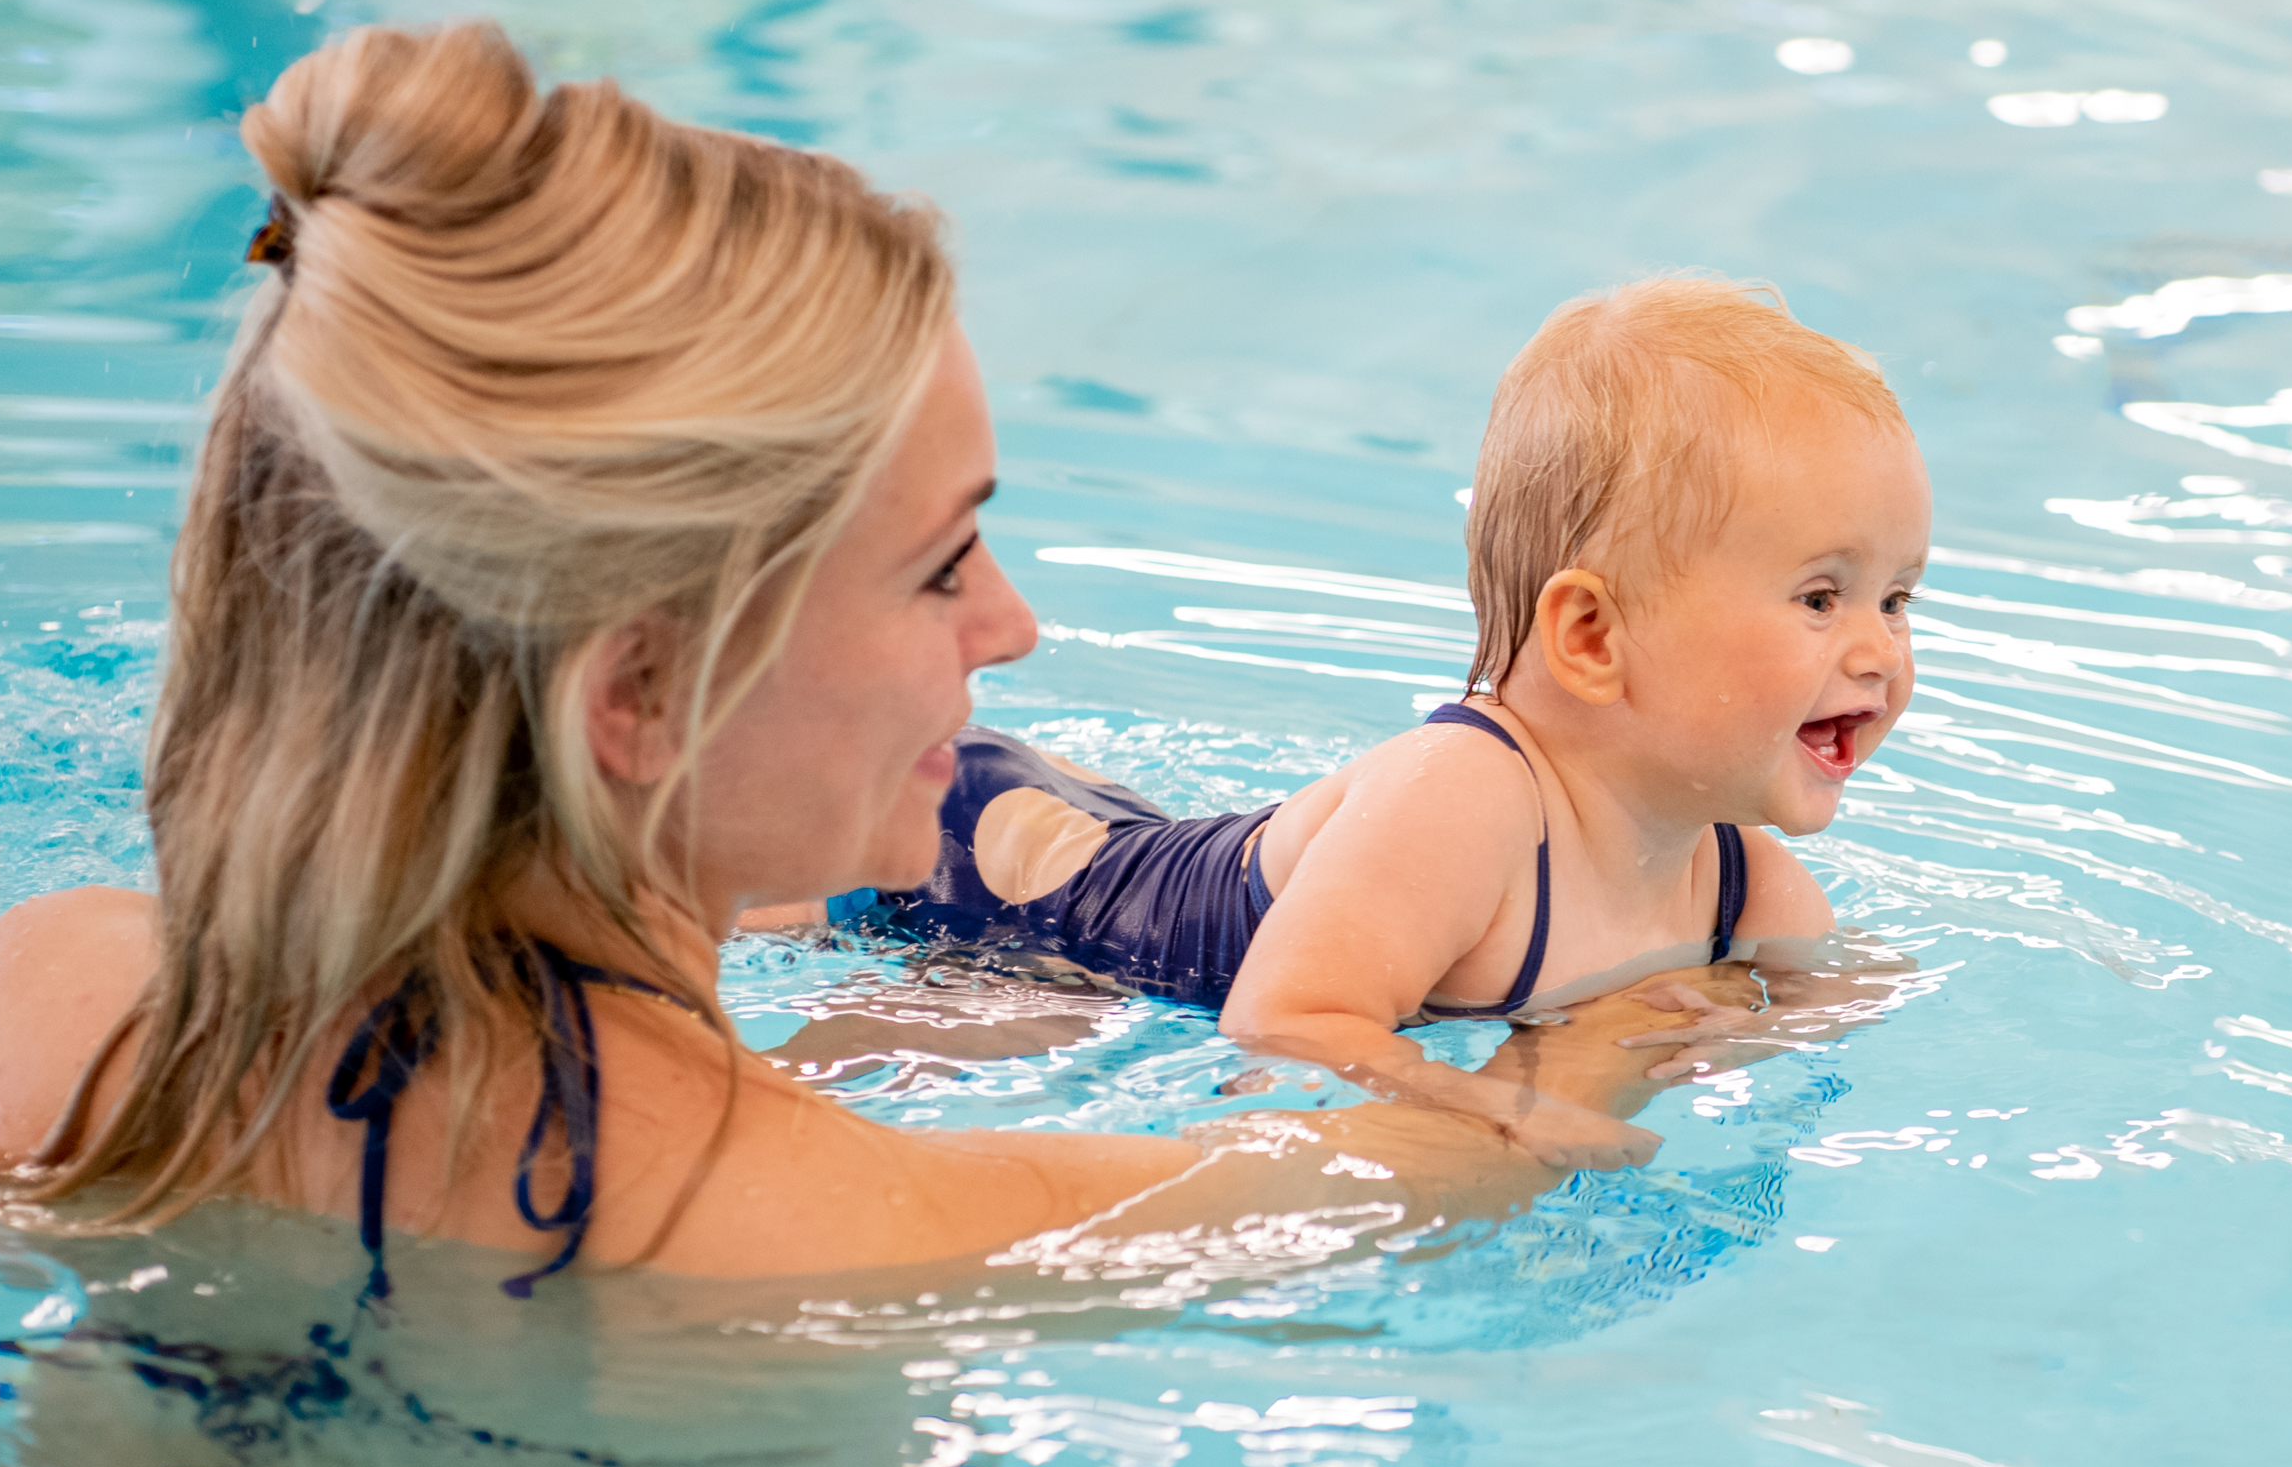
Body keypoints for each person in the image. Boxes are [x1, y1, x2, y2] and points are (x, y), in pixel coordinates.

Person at [0, 19, 1704, 1294]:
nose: (1013, 625)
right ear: (639, 696)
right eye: (939, 565)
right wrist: (1638, 1008)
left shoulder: (46, 1009)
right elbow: (1453, 1172)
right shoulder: (822, 1211)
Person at [790, 277, 1931, 1151]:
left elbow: (1853, 997)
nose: (1878, 649)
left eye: (1896, 597)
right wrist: (1498, 1111)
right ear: (1589, 635)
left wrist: (1742, 1029)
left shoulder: (1742, 878)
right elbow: (1286, 1022)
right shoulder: (1468, 796)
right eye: (1820, 597)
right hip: (997, 883)